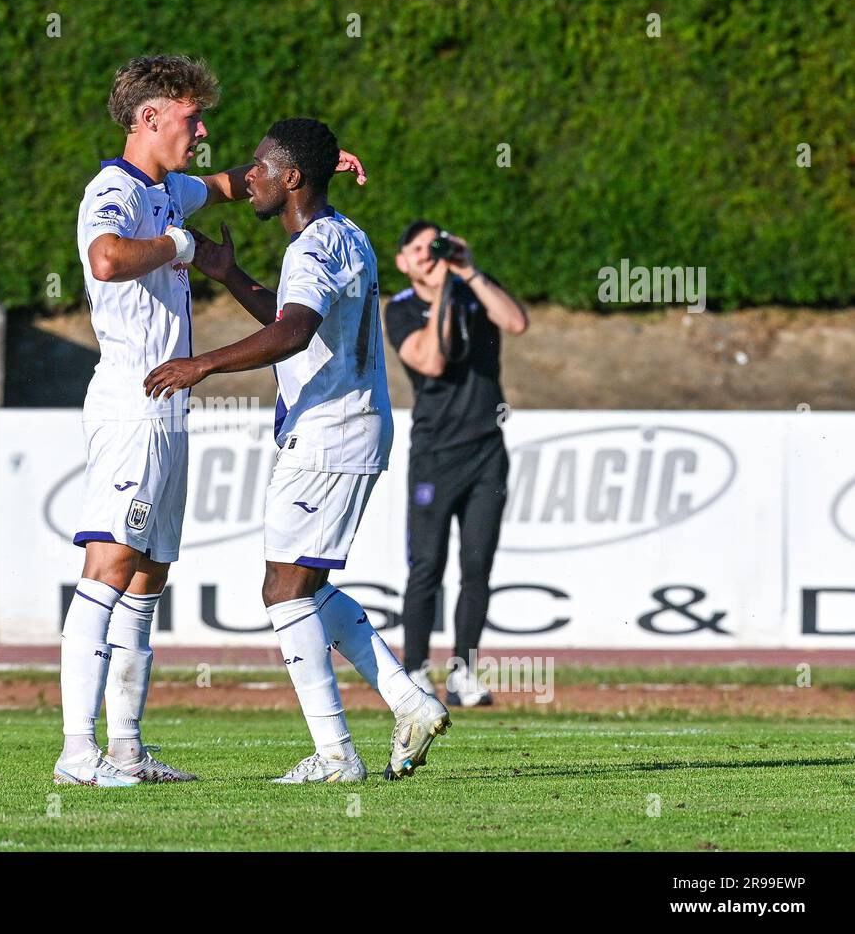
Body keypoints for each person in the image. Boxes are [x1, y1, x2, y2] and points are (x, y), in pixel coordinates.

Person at [57, 58, 367, 786]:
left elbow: (234, 181)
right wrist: (184, 247)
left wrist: (319, 162)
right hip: (132, 404)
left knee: (148, 578)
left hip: (168, 408)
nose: (201, 130)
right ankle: (78, 753)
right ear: (150, 118)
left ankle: (127, 749)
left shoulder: (170, 190)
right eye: (191, 118)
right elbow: (105, 260)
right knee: (107, 567)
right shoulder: (114, 191)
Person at [145, 118, 449, 783]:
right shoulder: (343, 235)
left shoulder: (312, 248)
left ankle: (337, 756)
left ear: (292, 179)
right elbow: (294, 321)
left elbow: (292, 333)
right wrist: (229, 274)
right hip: (348, 428)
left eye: (259, 166)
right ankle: (409, 700)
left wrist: (201, 365)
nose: (246, 176)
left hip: (329, 433)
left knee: (284, 590)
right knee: (304, 586)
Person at [384, 221, 528, 707]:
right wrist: (446, 288)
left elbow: (516, 323)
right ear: (403, 262)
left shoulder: (471, 290)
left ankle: (465, 669)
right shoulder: (401, 309)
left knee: (477, 565)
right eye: (419, 250)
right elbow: (431, 361)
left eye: (436, 247)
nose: (430, 256)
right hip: (434, 452)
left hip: (486, 448)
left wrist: (469, 271)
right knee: (426, 565)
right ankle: (416, 669)